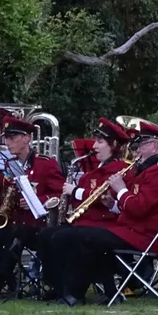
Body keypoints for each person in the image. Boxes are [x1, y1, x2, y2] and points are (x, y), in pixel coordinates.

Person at [62, 121, 158, 306]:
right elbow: (134, 206)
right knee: (89, 236)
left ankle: (78, 294)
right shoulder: (152, 168)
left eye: (141, 146)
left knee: (90, 237)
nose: (137, 151)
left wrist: (120, 189)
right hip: (135, 228)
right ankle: (108, 292)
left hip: (147, 235)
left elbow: (139, 208)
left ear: (155, 145)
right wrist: (112, 204)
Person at [40, 117, 130, 303]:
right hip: (84, 222)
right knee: (47, 235)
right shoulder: (91, 171)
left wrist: (76, 191)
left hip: (104, 224)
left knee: (66, 238)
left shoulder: (121, 169)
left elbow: (104, 195)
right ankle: (57, 286)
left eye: (100, 141)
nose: (94, 146)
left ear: (113, 144)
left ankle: (73, 292)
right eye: (95, 140)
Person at [0, 115, 65, 298]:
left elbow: (60, 193)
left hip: (38, 224)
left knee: (16, 234)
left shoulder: (45, 164)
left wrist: (38, 199)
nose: (8, 143)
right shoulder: (9, 164)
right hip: (15, 220)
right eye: (7, 138)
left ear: (27, 138)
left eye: (13, 138)